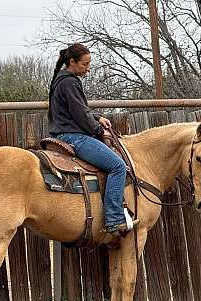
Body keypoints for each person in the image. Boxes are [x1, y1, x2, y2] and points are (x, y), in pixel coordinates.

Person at [48, 43, 138, 238]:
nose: (88, 69)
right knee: (117, 166)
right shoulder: (70, 82)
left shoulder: (61, 80)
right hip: (73, 136)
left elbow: (75, 110)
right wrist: (98, 130)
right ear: (72, 62)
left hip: (61, 133)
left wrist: (97, 117)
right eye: (85, 64)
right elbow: (80, 114)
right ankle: (114, 219)